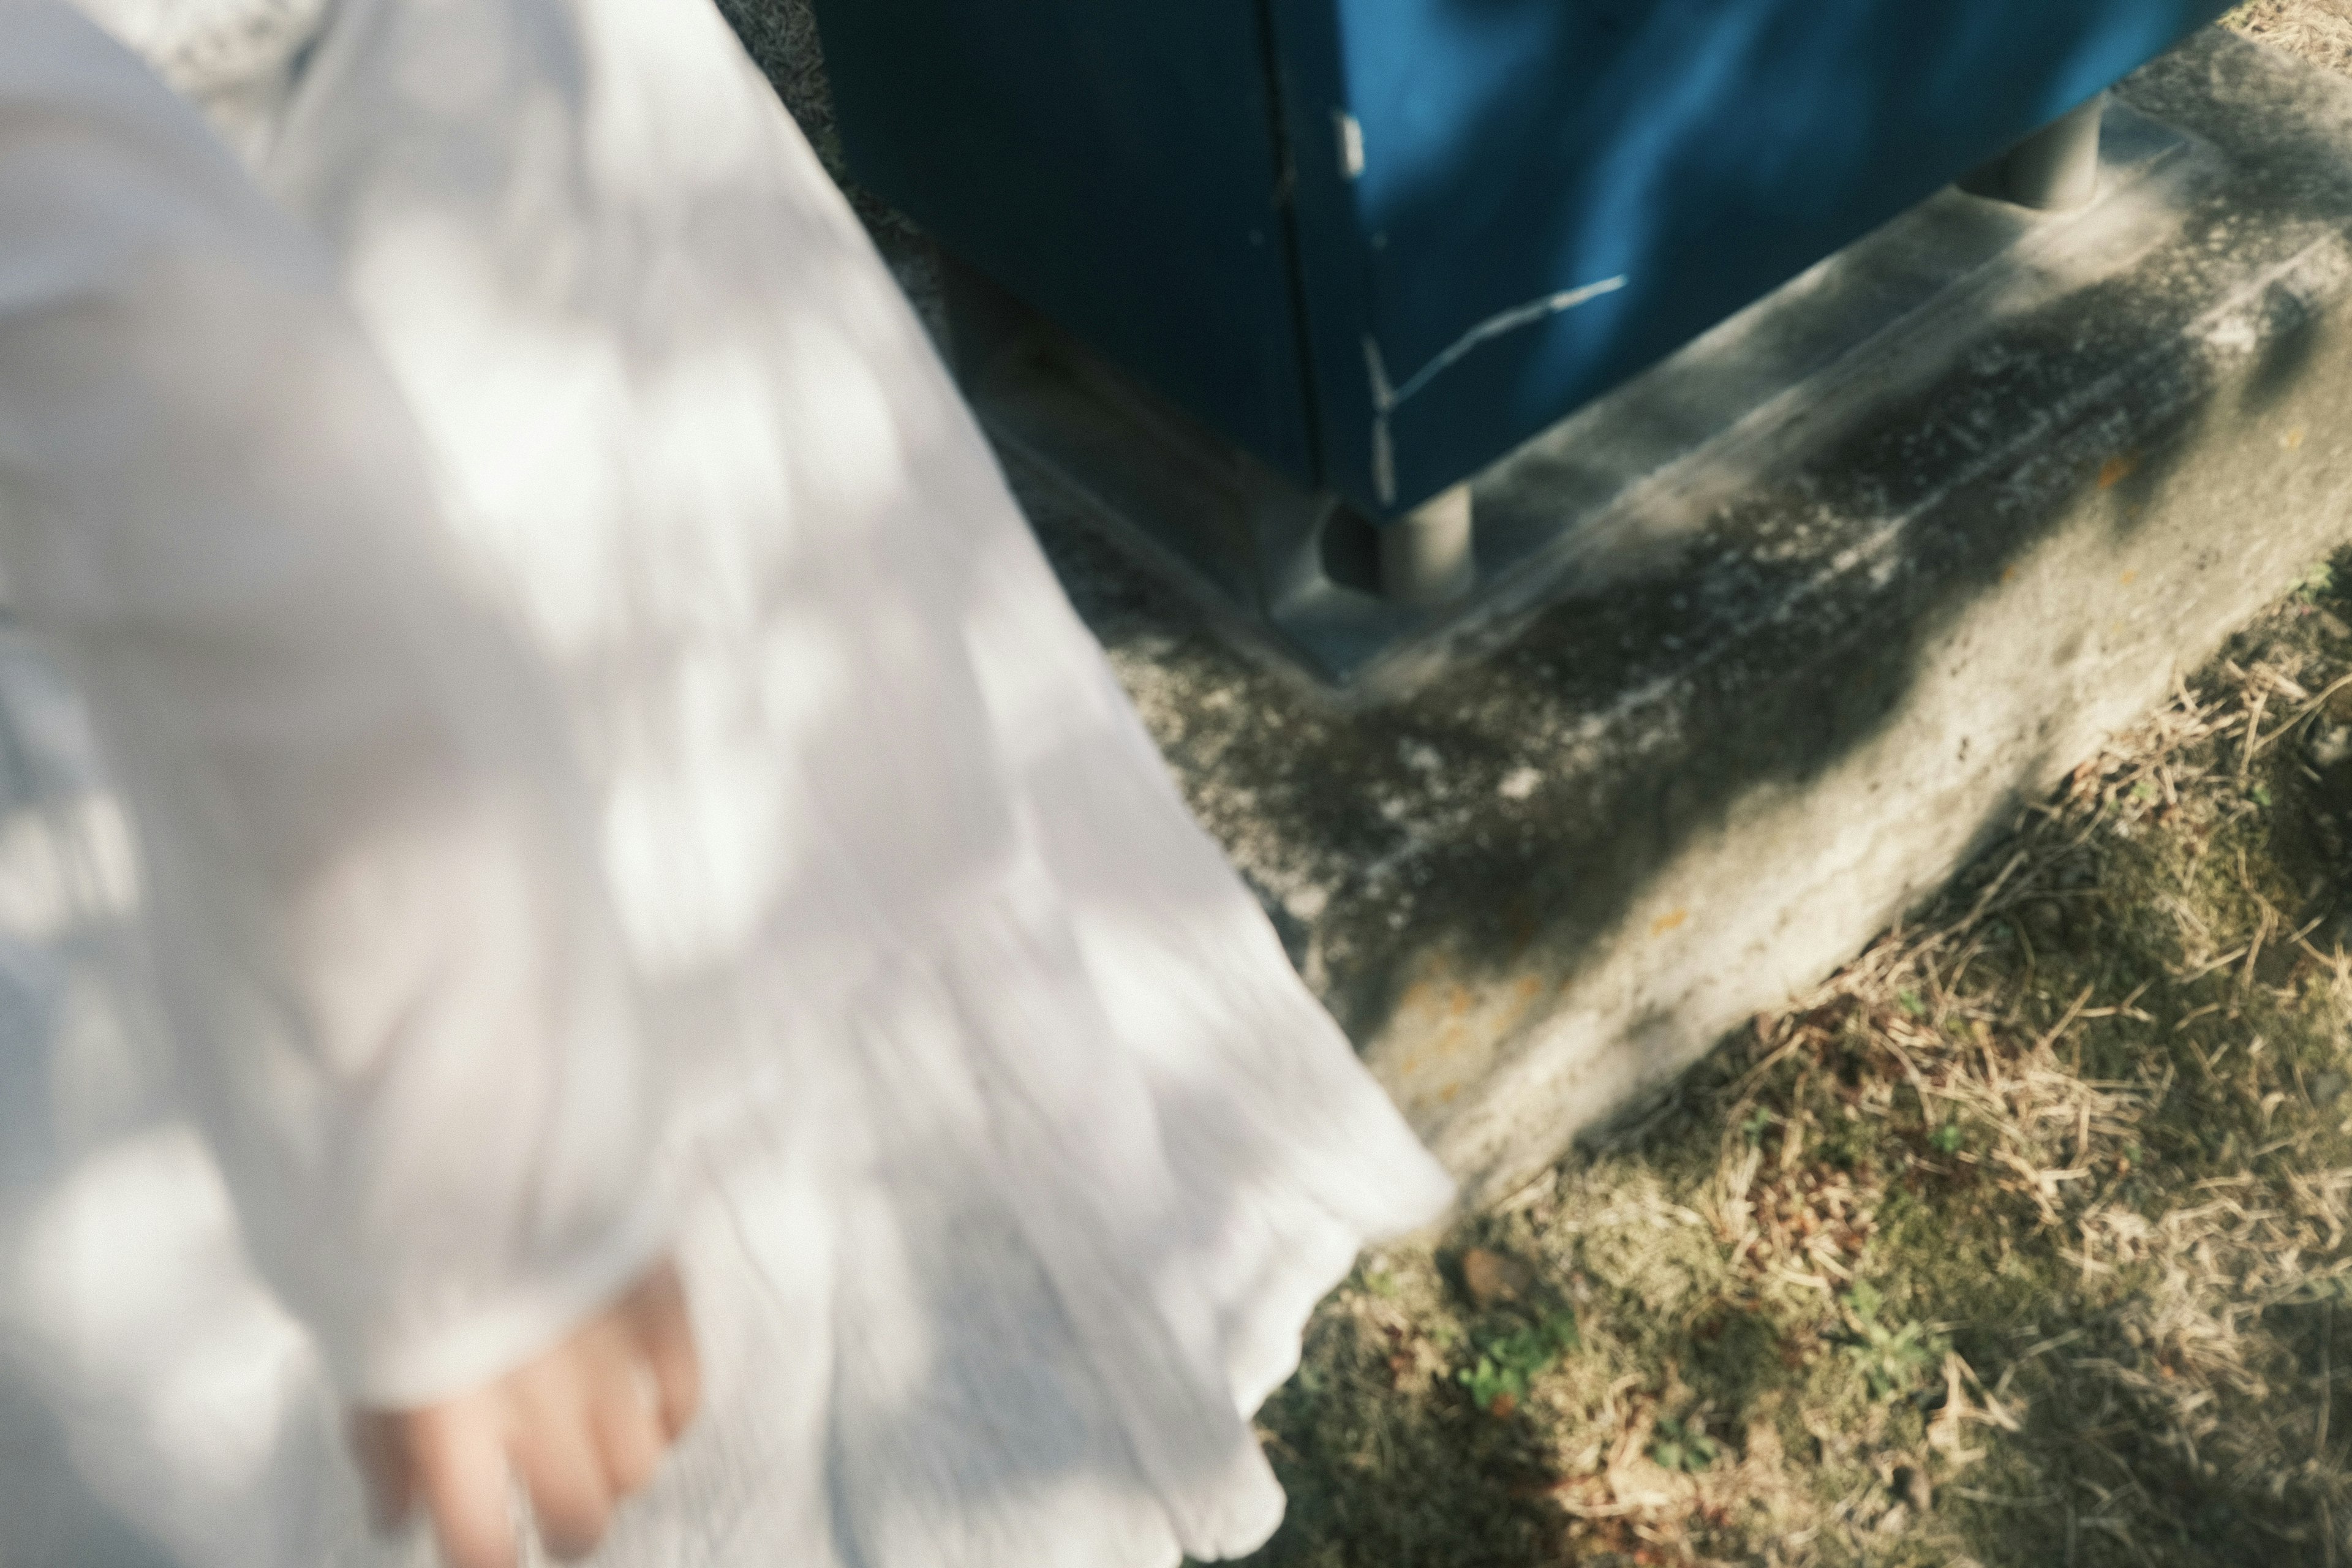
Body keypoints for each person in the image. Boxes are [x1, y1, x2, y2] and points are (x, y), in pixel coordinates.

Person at [0, 1, 1456, 1566]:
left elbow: (239, 480)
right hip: (400, 224)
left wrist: (484, 1212)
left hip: (371, 256)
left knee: (706, 882)